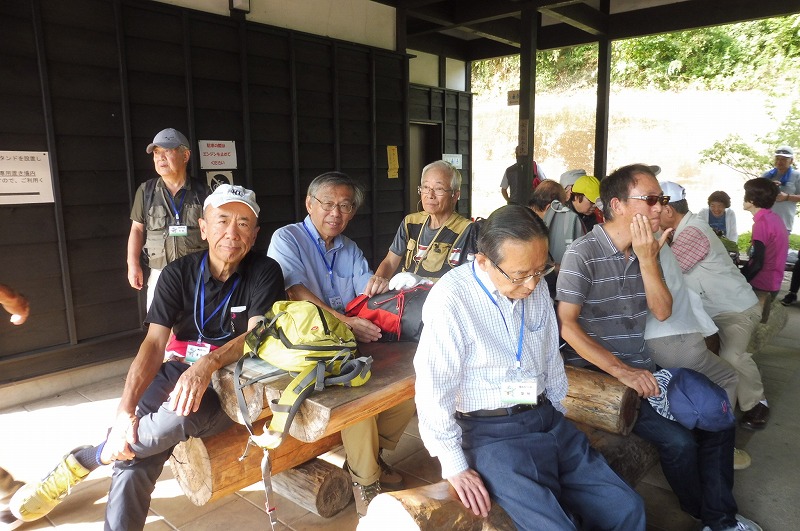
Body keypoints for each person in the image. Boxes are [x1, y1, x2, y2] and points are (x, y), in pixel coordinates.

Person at [11, 185, 286, 529]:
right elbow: (154, 344)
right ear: (203, 228)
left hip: (230, 386)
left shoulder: (265, 271)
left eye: (243, 224)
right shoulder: (177, 273)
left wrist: (208, 364)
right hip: (177, 370)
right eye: (222, 221)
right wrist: (124, 412)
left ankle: (90, 457)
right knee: (132, 458)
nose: (232, 233)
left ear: (255, 234)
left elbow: (257, 335)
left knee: (182, 414)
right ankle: (108, 457)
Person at [557, 165, 762, 531]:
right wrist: (622, 371)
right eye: (650, 199)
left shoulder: (648, 248)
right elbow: (567, 325)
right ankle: (708, 514)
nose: (659, 208)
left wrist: (649, 259)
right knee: (679, 443)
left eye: (661, 199)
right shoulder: (582, 253)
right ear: (618, 205)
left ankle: (718, 518)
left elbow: (663, 311)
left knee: (718, 412)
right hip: (602, 374)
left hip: (645, 368)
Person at [415, 205, 645, 530]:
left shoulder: (534, 285)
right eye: (520, 274)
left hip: (546, 418)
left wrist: (557, 410)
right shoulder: (452, 299)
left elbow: (550, 354)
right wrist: (454, 465)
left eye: (541, 269)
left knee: (627, 508)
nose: (532, 284)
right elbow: (433, 388)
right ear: (483, 261)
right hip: (491, 435)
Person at [266, 171, 416, 517]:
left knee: (410, 387)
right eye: (328, 203)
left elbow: (367, 290)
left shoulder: (349, 248)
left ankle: (371, 457)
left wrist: (385, 285)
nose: (336, 213)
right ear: (310, 204)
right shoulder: (287, 238)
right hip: (309, 348)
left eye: (345, 206)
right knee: (355, 396)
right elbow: (295, 291)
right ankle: (366, 481)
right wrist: (345, 321)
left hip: (348, 342)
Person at [658, 181, 769, 431]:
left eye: (656, 208)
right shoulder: (681, 229)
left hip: (735, 310)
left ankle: (756, 402)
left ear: (668, 210)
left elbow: (666, 274)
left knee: (732, 357)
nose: (652, 214)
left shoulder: (692, 233)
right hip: (710, 311)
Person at [644, 244, 750, 470]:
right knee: (727, 377)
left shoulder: (618, 245)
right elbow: (674, 302)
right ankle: (720, 450)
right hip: (674, 336)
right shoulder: (654, 244)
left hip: (644, 340)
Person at [127, 128, 210, 310]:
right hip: (160, 274)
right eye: (156, 152)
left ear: (185, 155)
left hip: (197, 273)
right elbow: (137, 229)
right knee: (159, 324)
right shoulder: (146, 191)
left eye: (167, 151)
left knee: (197, 321)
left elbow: (215, 232)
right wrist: (133, 264)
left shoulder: (203, 192)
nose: (160, 157)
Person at [370, 160, 475, 292]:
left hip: (439, 299)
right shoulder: (411, 222)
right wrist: (378, 280)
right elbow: (390, 261)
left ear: (455, 196)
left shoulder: (467, 230)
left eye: (439, 189)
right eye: (425, 187)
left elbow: (469, 281)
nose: (430, 195)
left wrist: (424, 283)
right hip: (405, 298)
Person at [741, 178, 789, 324]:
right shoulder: (773, 218)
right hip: (773, 282)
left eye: (745, 194)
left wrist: (741, 280)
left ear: (753, 199)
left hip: (762, 284)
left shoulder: (761, 224)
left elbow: (758, 263)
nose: (743, 198)